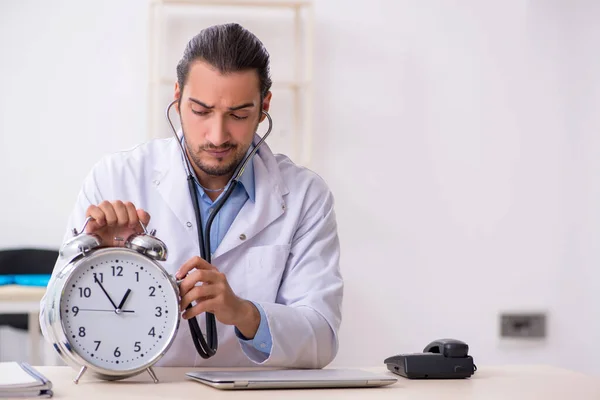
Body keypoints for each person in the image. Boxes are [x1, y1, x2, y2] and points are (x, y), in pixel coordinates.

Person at [40, 23, 343, 368]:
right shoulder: (115, 177)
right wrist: (96, 261)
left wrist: (244, 312)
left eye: (239, 114)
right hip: (140, 392)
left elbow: (322, 339)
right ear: (177, 97)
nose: (217, 135)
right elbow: (52, 328)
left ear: (264, 107)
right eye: (201, 111)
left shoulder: (306, 196)